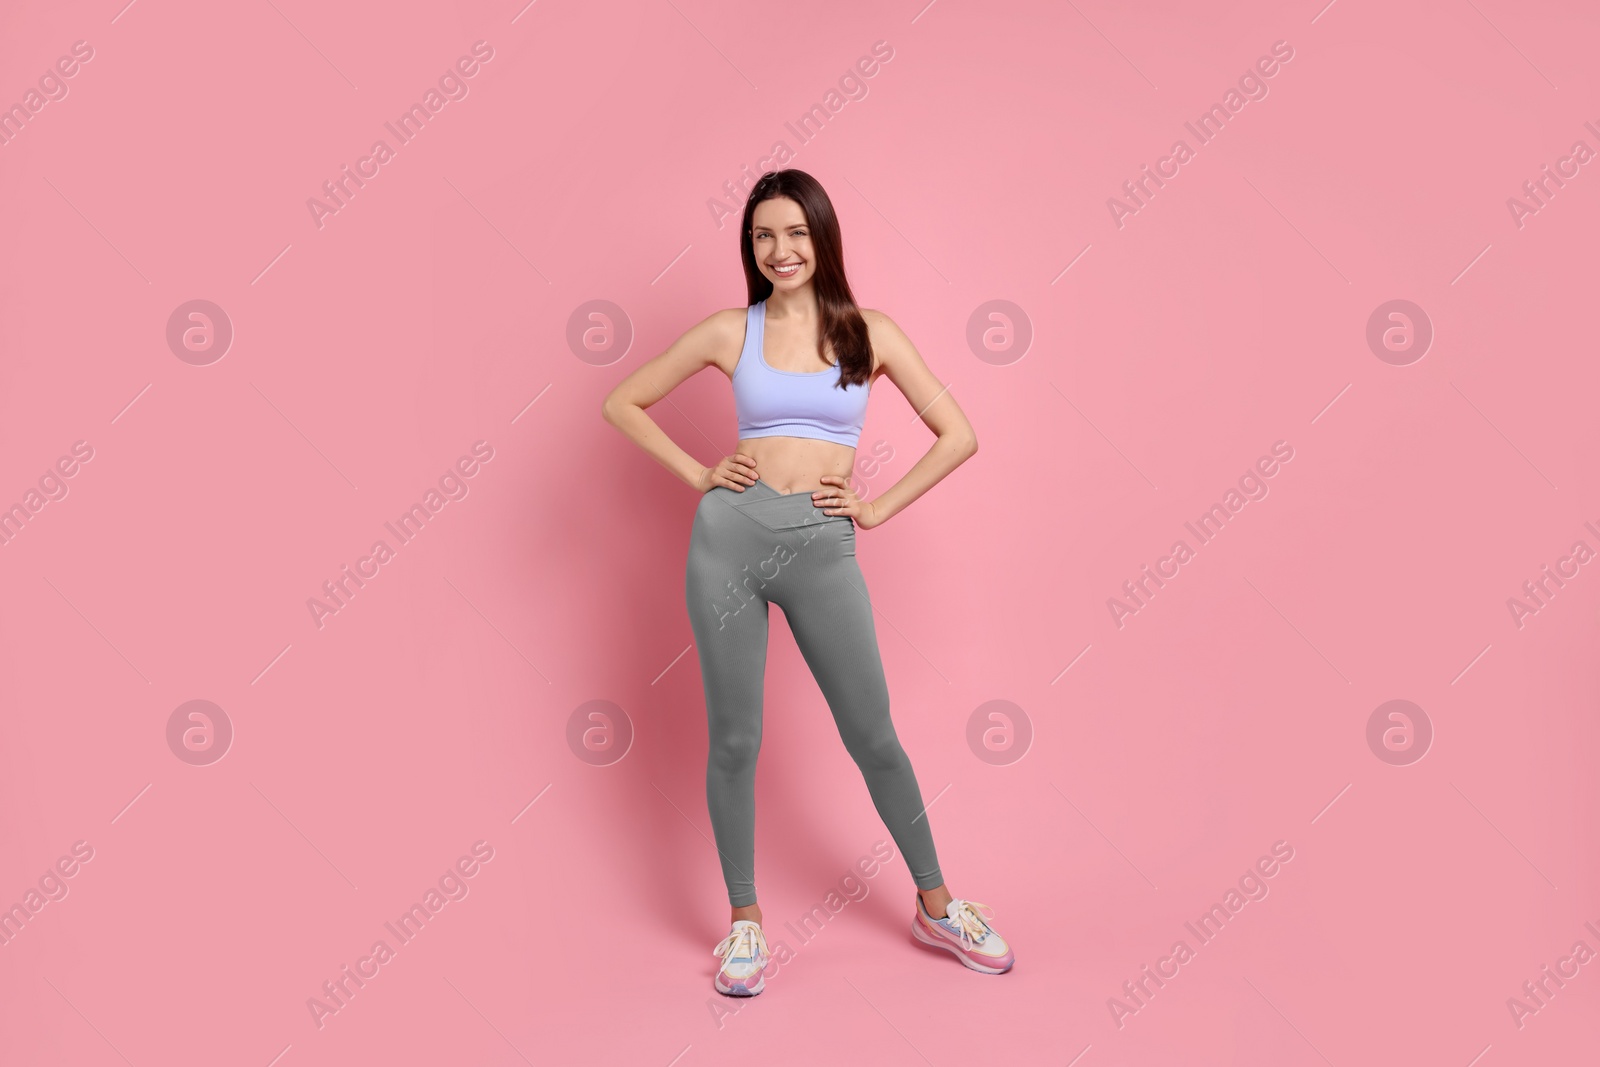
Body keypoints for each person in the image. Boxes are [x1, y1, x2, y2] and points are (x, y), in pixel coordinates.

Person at [602, 169, 1014, 995]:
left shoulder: (871, 333)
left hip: (823, 547)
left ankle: (936, 905)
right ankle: (745, 924)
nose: (780, 250)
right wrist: (697, 472)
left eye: (794, 232)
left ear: (821, 236)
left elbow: (958, 433)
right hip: (729, 542)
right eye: (763, 236)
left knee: (873, 735)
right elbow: (623, 400)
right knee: (735, 741)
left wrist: (876, 505)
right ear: (749, 247)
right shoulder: (731, 329)